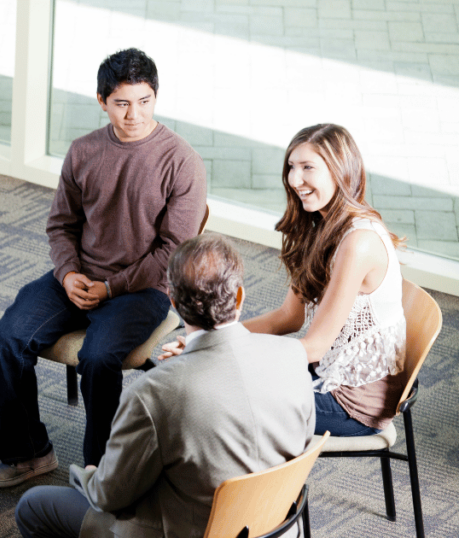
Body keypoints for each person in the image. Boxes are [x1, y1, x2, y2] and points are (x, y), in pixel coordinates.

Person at [0, 47, 207, 487]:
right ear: (102, 101)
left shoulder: (182, 161)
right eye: (122, 103)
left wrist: (110, 288)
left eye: (144, 101)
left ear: (155, 98)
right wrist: (68, 274)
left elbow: (174, 251)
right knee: (8, 336)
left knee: (99, 356)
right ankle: (29, 452)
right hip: (78, 278)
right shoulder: (84, 151)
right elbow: (61, 225)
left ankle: (100, 469)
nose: (134, 114)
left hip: (144, 289)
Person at [14, 234, 315, 538]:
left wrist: (88, 475)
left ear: (173, 301)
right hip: (277, 526)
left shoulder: (154, 393)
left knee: (34, 505)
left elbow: (110, 496)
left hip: (186, 530)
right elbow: (301, 448)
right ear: (238, 297)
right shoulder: (292, 357)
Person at [164, 124, 407, 437]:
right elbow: (288, 318)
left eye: (308, 168)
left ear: (340, 170)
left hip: (351, 402)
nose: (294, 180)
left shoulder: (358, 242)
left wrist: (219, 348)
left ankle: (263, 486)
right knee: (216, 380)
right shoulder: (319, 225)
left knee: (216, 398)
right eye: (292, 167)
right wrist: (209, 339)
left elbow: (315, 347)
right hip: (322, 371)